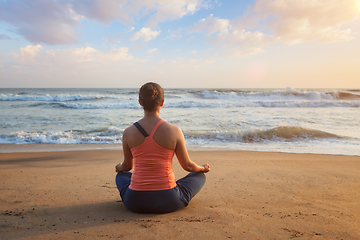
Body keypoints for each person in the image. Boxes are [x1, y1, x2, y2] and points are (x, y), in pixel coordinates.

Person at [115, 82, 210, 214]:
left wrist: (119, 167)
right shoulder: (174, 130)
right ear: (162, 102)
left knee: (122, 175)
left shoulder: (128, 132)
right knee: (199, 176)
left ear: (140, 102)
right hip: (169, 200)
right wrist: (202, 168)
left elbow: (127, 166)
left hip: (135, 202)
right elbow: (188, 166)